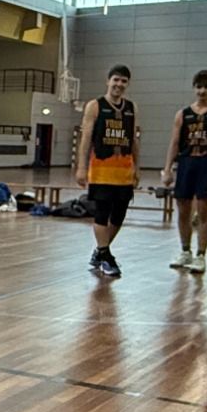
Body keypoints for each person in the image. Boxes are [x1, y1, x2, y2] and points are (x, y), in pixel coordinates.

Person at [162, 69, 207, 273]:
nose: (202, 91)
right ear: (194, 88)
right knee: (183, 209)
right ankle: (185, 250)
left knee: (203, 210)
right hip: (186, 162)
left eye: (206, 87)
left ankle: (201, 255)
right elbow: (174, 142)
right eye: (199, 87)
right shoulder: (183, 114)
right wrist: (167, 168)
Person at [74, 64, 138, 278]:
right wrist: (81, 167)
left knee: (119, 216)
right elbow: (86, 138)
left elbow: (134, 140)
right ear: (108, 81)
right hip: (101, 170)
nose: (119, 84)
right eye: (116, 80)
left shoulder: (132, 108)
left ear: (128, 84)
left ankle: (101, 252)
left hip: (124, 172)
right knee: (102, 213)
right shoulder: (95, 106)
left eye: (123, 81)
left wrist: (137, 167)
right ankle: (106, 256)